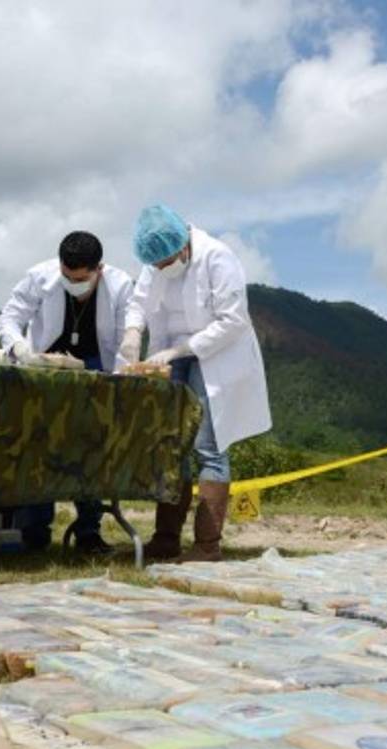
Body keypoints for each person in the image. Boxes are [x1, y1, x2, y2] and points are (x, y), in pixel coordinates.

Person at [120, 204, 271, 562]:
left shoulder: (217, 257)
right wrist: (132, 331)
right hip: (169, 356)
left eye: (167, 262)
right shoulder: (156, 261)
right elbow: (139, 301)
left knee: (208, 446)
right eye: (157, 265)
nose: (162, 269)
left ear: (183, 244)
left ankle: (207, 544)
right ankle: (166, 538)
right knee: (171, 446)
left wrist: (183, 349)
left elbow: (233, 320)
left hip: (214, 354)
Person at [0, 231, 133, 555]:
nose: (73, 284)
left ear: (99, 269)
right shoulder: (40, 276)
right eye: (67, 276)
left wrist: (121, 377)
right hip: (45, 369)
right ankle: (33, 531)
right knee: (38, 444)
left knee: (89, 447)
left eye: (81, 279)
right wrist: (18, 347)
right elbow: (9, 317)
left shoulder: (120, 285)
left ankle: (88, 531)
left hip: (96, 369)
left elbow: (125, 339)